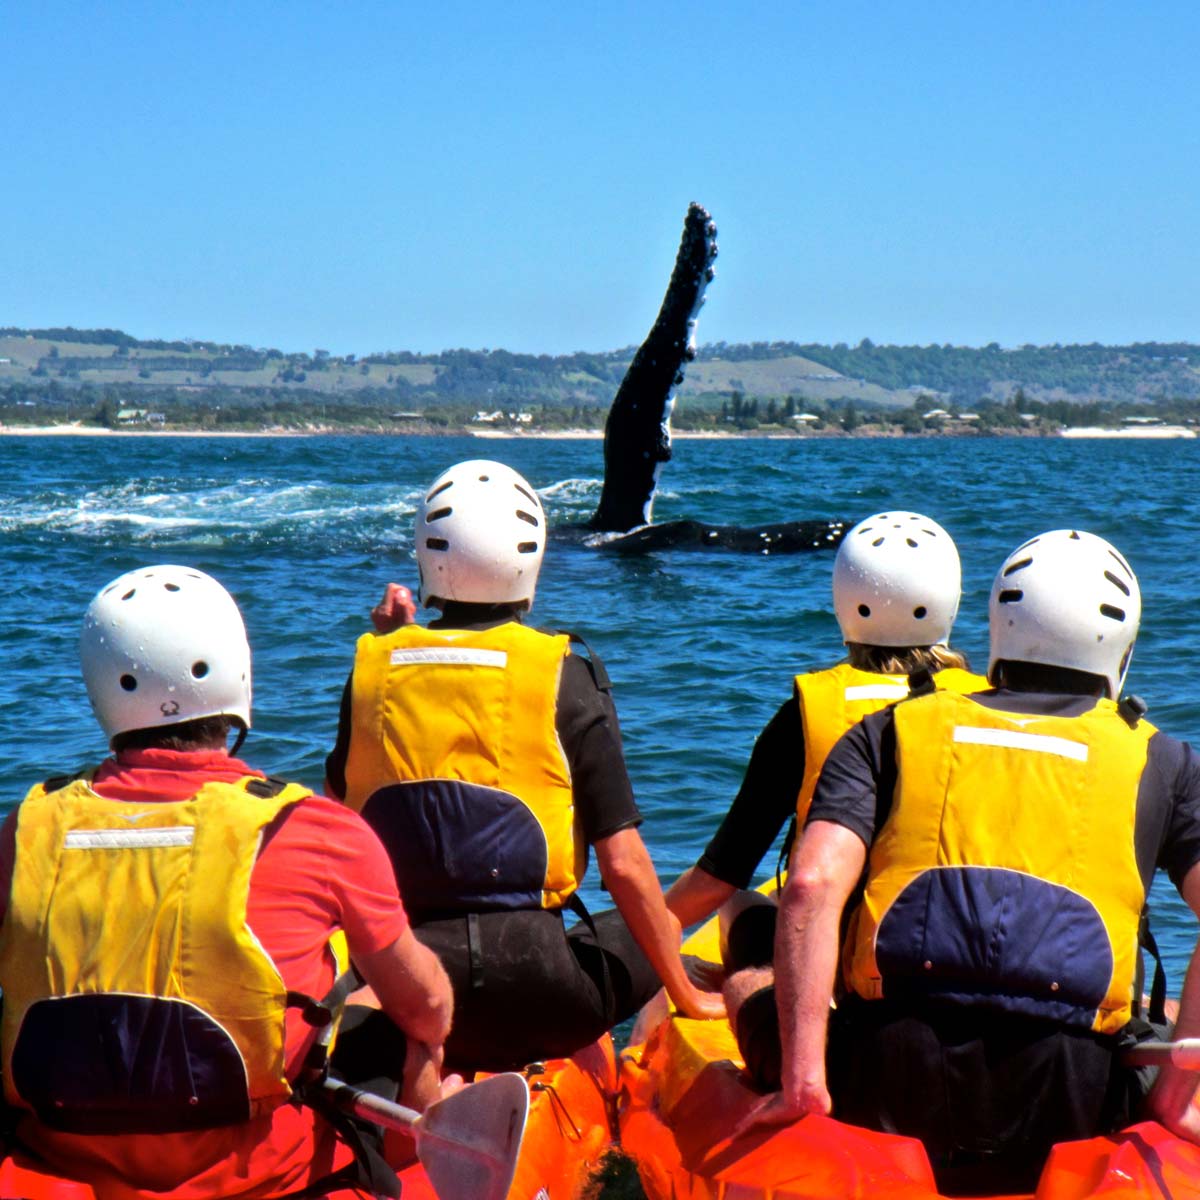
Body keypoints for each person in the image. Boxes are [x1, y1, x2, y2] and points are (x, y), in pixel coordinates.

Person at [752, 529, 1200, 1192]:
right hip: (1068, 1097)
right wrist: (1178, 1099)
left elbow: (810, 886)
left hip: (888, 1075)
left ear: (995, 628)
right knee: (1152, 1019)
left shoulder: (891, 729)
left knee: (747, 989)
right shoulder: (1164, 760)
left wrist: (804, 1084)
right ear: (1122, 652)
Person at [0, 565, 453, 1200]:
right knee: (397, 1014)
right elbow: (427, 1007)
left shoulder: (23, 830)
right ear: (237, 676)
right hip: (265, 1173)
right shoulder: (313, 826)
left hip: (57, 1163)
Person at [324, 459, 723, 1072]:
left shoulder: (371, 670)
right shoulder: (566, 672)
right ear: (530, 559)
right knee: (659, 925)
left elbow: (334, 819)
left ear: (426, 556)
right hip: (542, 994)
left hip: (410, 986)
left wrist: (394, 643)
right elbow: (622, 861)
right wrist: (683, 991)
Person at [663, 511, 986, 1087]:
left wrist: (645, 932)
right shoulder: (994, 708)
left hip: (843, 973)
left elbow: (721, 875)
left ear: (844, 600)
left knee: (736, 907)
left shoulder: (807, 714)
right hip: (964, 961)